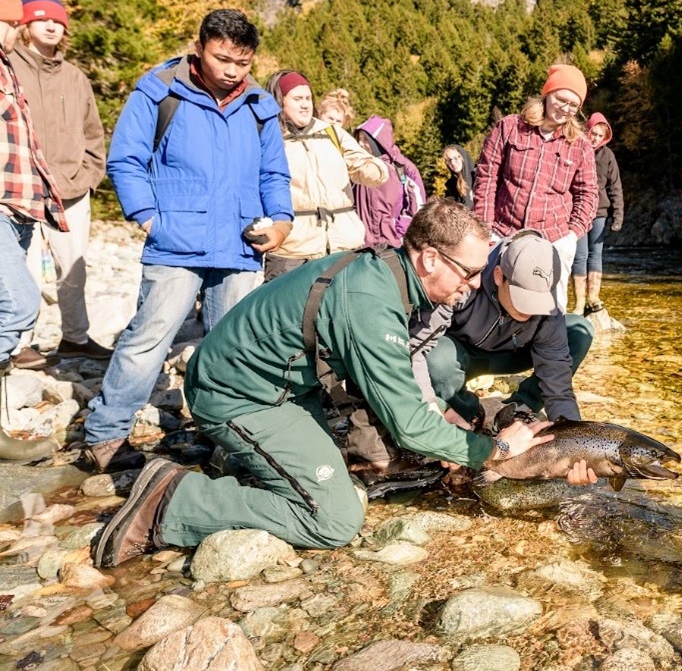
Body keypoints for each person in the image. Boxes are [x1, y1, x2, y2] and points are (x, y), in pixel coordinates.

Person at [91, 199, 599, 568]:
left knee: (365, 465)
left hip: (286, 388)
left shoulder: (388, 276)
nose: (472, 284)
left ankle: (238, 459)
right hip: (238, 396)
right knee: (334, 520)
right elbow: (411, 424)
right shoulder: (370, 306)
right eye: (468, 273)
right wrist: (492, 449)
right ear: (429, 259)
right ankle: (174, 500)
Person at [84, 9, 293, 474]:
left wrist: (280, 222)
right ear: (200, 47)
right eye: (222, 59)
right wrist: (147, 217)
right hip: (175, 240)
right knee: (149, 337)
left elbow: (274, 174)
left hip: (242, 244)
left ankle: (227, 435)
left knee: (235, 347)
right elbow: (126, 160)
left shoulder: (261, 106)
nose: (233, 71)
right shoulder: (160, 90)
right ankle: (106, 433)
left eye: (242, 62)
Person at [8, 0, 110, 369]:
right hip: (24, 191)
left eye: (57, 21)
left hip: (71, 189)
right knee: (24, 272)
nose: (51, 26)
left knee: (74, 269)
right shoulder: (9, 67)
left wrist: (89, 176)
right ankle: (20, 344)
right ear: (26, 24)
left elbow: (92, 132)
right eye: (42, 19)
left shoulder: (75, 76)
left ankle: (75, 338)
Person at [412, 229, 594, 430]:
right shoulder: (468, 277)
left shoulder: (548, 308)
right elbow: (416, 349)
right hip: (461, 356)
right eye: (522, 297)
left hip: (513, 354)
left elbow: (558, 388)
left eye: (538, 301)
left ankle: (522, 407)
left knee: (579, 330)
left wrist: (573, 437)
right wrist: (431, 405)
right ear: (499, 275)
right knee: (436, 357)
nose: (531, 310)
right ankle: (466, 412)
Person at [0, 0, 65, 462]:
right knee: (19, 306)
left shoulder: (6, 67)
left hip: (20, 206)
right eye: (6, 23)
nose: (11, 32)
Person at [473, 64, 597, 313]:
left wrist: (571, 237)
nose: (565, 109)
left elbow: (589, 195)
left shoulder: (580, 145)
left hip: (553, 240)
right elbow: (486, 178)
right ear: (547, 94)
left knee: (550, 315)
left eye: (574, 105)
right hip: (503, 233)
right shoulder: (509, 128)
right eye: (561, 99)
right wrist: (485, 230)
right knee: (488, 303)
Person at [262, 70, 389, 281]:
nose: (305, 105)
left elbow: (370, 168)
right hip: (293, 250)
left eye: (308, 98)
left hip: (343, 244)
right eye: (297, 99)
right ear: (280, 101)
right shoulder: (270, 137)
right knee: (291, 313)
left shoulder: (331, 132)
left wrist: (371, 169)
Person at [570, 112, 624, 316]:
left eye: (600, 136)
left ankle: (593, 298)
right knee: (579, 255)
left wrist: (618, 216)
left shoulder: (608, 156)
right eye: (594, 133)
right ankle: (578, 303)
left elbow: (615, 187)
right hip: (577, 211)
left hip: (600, 213)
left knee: (595, 255)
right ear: (588, 130)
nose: (596, 139)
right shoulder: (575, 148)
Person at [353, 115, 426, 247]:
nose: (360, 144)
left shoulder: (401, 167)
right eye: (359, 139)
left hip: (392, 243)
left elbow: (417, 204)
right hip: (362, 244)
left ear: (378, 140)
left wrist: (400, 231)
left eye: (365, 139)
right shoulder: (357, 167)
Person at [441, 144, 475, 208]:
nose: (453, 163)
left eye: (455, 158)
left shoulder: (478, 176)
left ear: (462, 157)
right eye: (449, 160)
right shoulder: (451, 186)